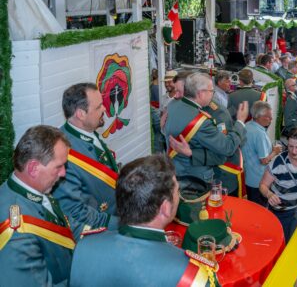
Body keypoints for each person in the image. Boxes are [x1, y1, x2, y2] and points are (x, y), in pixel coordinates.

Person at [69, 156, 218, 286]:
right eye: (177, 191)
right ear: (165, 208)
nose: (179, 196)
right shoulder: (191, 275)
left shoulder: (84, 247)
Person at [0, 127, 75, 285]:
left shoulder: (32, 191)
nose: (63, 173)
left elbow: (62, 228)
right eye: (58, 167)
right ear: (34, 168)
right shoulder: (16, 233)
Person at [163, 71, 248, 196]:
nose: (213, 94)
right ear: (200, 93)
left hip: (175, 170)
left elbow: (169, 130)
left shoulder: (173, 105)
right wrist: (240, 122)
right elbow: (227, 148)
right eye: (211, 91)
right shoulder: (201, 121)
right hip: (196, 179)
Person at [56, 83, 122, 237]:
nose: (105, 109)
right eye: (99, 107)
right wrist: (121, 224)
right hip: (103, 231)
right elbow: (76, 212)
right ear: (81, 114)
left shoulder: (87, 130)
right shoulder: (63, 153)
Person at [258, 126, 297, 239]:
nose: (293, 151)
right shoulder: (278, 162)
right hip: (281, 211)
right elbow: (263, 185)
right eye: (290, 146)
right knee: (282, 240)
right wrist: (269, 194)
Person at [241, 102, 282, 206]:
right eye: (268, 117)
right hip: (259, 180)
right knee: (261, 209)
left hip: (248, 177)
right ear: (258, 116)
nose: (271, 119)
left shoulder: (247, 126)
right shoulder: (259, 134)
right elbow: (264, 161)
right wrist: (274, 152)